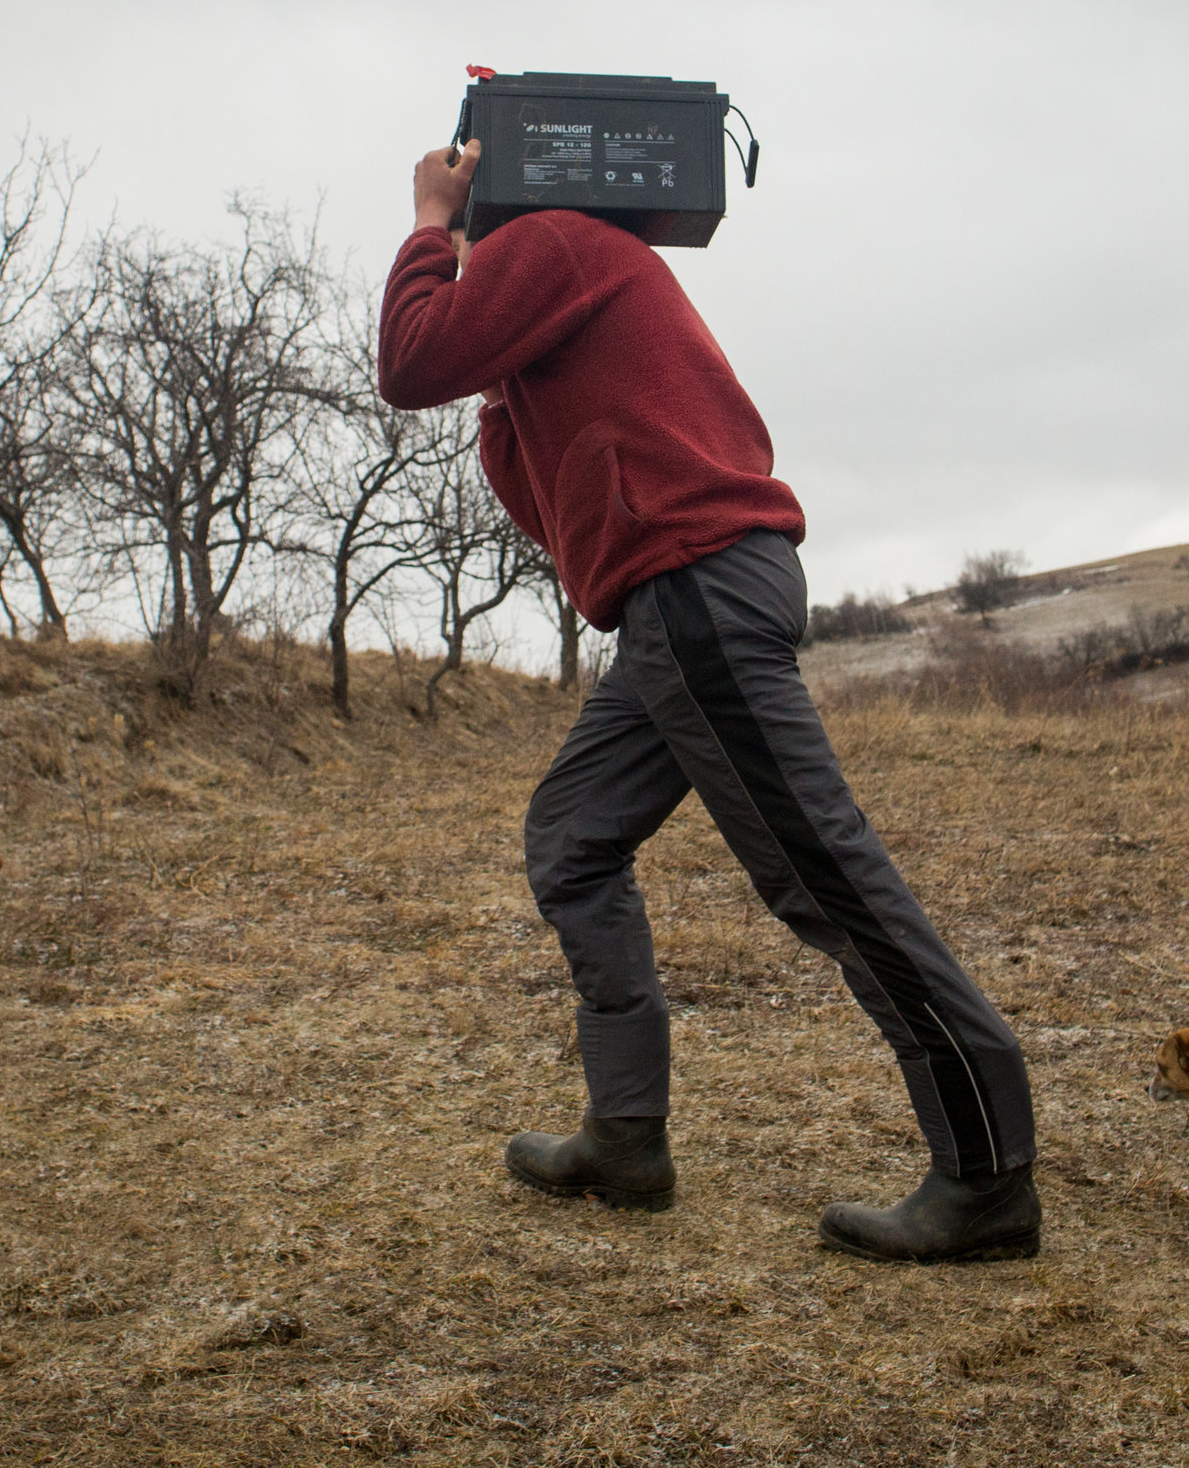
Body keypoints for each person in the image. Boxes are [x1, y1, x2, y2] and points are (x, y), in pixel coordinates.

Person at [376, 140, 1039, 1263]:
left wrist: (431, 226)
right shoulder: (563, 283)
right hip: (673, 603)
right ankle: (625, 1135)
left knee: (825, 873)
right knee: (574, 837)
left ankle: (987, 1174)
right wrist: (508, 393)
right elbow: (553, 515)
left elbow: (407, 361)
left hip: (698, 590)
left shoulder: (557, 240)